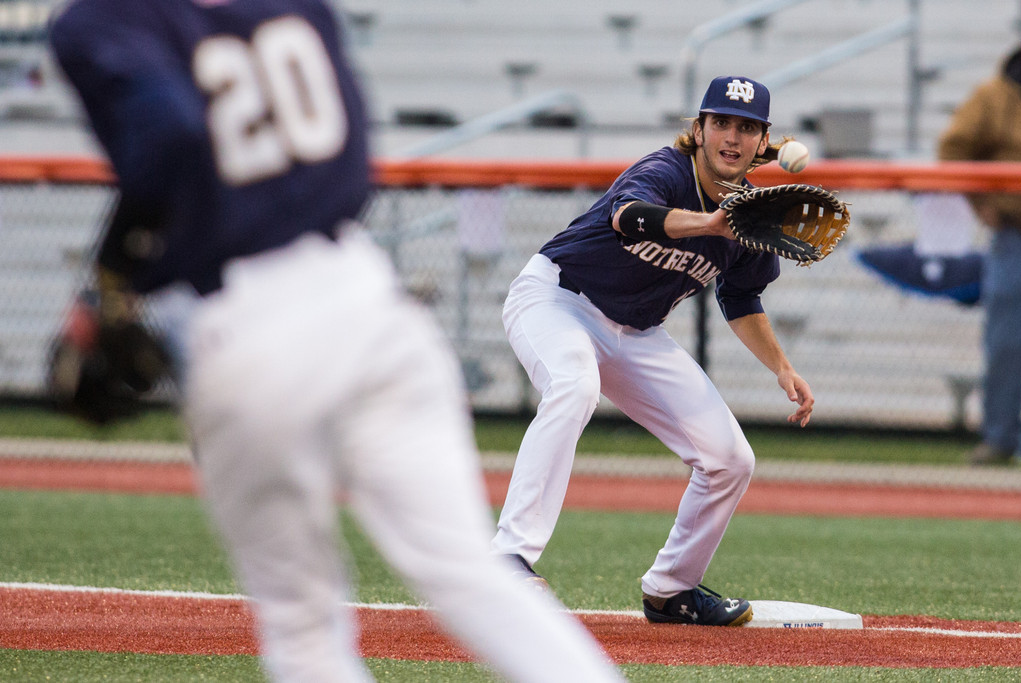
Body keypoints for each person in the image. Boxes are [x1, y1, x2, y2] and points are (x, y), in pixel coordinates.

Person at [47, 1, 625, 681]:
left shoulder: (96, 20)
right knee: (471, 572)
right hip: (368, 297)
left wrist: (112, 277)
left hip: (244, 324)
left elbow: (169, 140)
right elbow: (349, 154)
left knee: (301, 623)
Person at [492, 76, 815, 626]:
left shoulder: (751, 218)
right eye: (721, 123)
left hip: (635, 333)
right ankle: (508, 558)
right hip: (558, 298)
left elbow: (741, 297)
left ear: (763, 142)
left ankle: (672, 591)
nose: (731, 137)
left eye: (746, 127)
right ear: (700, 128)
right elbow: (628, 216)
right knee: (574, 385)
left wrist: (782, 368)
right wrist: (709, 224)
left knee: (729, 459)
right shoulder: (666, 170)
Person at [938, 44, 1021, 467]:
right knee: (1006, 342)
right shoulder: (994, 95)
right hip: (1015, 236)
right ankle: (1000, 438)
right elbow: (953, 148)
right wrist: (981, 203)